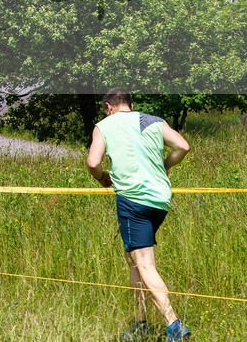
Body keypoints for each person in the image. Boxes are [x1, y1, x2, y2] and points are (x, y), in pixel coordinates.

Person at [87, 88, 192, 342]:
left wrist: (103, 178)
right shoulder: (153, 120)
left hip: (134, 200)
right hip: (160, 200)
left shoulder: (104, 125)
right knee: (133, 259)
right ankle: (141, 323)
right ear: (131, 105)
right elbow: (183, 146)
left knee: (145, 264)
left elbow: (92, 162)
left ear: (108, 107)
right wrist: (164, 166)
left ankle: (174, 325)